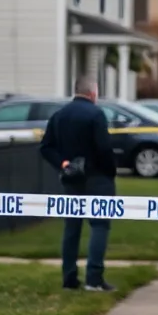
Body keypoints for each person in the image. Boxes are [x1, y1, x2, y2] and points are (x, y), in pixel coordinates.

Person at [40, 75, 118, 292]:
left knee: (72, 228)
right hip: (98, 178)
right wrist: (110, 172)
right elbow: (103, 148)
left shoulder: (59, 115)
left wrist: (63, 164)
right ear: (93, 93)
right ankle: (93, 279)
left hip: (71, 180)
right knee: (99, 225)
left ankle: (69, 278)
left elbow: (45, 147)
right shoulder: (96, 114)